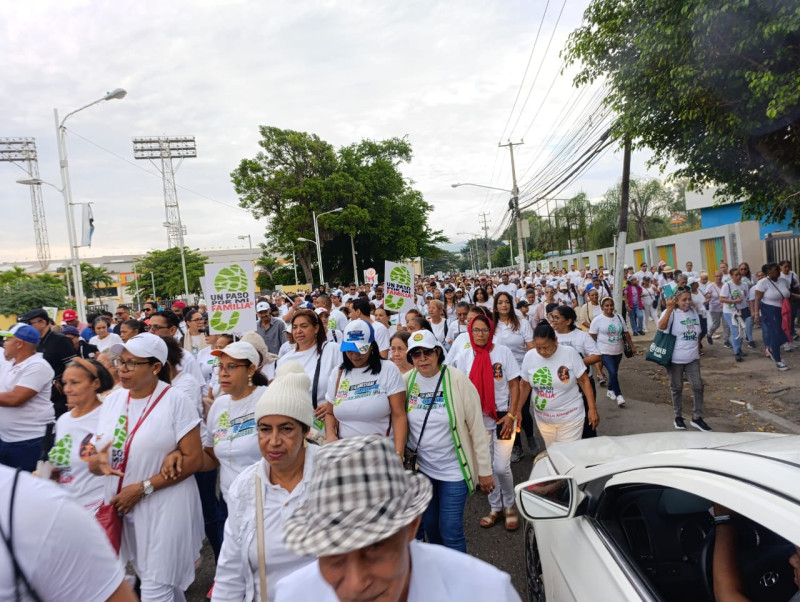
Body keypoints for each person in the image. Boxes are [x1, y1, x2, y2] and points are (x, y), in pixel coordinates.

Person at [275, 435, 520, 602]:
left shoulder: (484, 593)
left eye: (374, 548)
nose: (355, 585)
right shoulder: (293, 595)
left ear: (411, 526)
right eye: (334, 556)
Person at [89, 333, 205, 600]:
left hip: (164, 504)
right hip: (123, 507)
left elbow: (194, 459)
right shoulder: (114, 400)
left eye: (132, 363)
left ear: (155, 368)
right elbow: (100, 453)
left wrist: (143, 488)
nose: (122, 369)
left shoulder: (176, 400)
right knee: (158, 580)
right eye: (121, 361)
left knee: (156, 586)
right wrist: (96, 463)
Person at [212, 362, 318, 602]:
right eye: (264, 429)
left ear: (305, 430)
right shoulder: (246, 487)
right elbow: (230, 572)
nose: (274, 441)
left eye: (286, 429)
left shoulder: (335, 476)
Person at [404, 329, 493, 552]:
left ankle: (460, 582)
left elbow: (476, 427)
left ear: (438, 352)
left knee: (450, 528)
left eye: (427, 352)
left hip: (454, 469)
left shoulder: (457, 380)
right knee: (430, 526)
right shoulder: (406, 381)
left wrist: (484, 470)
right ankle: (440, 571)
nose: (422, 358)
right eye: (416, 354)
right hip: (422, 469)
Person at [0, 464, 137, 601]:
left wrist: (144, 488)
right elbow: (94, 465)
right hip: (110, 512)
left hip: (134, 512)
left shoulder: (48, 509)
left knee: (151, 580)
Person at [447, 315, 521, 531]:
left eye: (484, 330)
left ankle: (510, 506)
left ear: (491, 331)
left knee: (501, 466)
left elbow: (514, 384)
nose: (480, 334)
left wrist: (512, 414)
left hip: (502, 418)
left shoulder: (502, 352)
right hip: (476, 420)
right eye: (476, 330)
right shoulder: (463, 356)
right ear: (470, 332)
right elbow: (456, 389)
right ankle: (495, 507)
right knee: (485, 466)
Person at [323, 320, 407, 454]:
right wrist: (330, 435)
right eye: (350, 350)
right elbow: (329, 412)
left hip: (381, 453)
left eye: (360, 350)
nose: (355, 355)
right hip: (345, 453)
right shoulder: (338, 373)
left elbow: (399, 415)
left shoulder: (388, 369)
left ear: (372, 347)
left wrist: (399, 453)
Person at [47, 357, 113, 513]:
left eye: (75, 383)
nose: (67, 389)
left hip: (98, 510)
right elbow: (63, 463)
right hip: (66, 508)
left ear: (95, 383)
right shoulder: (63, 420)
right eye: (65, 383)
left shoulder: (109, 416)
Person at [520, 320, 599, 447]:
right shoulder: (530, 356)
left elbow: (584, 381)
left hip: (570, 418)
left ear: (556, 340)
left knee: (568, 455)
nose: (542, 351)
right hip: (544, 420)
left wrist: (592, 409)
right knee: (552, 452)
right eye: (538, 347)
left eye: (546, 347)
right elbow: (524, 385)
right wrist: (517, 410)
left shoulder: (569, 353)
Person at [0, 324, 54, 471]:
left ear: (19, 343)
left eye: (7, 339)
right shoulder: (10, 363)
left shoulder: (38, 365)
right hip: (7, 439)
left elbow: (15, 399)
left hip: (31, 441)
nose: (4, 342)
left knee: (30, 489)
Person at [277, 309, 340, 427]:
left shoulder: (332, 350)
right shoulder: (284, 360)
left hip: (328, 423)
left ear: (316, 328)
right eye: (294, 327)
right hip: (296, 425)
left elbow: (346, 382)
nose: (298, 331)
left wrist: (332, 404)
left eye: (304, 326)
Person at [657, 290, 710, 431]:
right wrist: (668, 309)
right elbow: (661, 327)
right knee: (677, 388)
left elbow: (698, 332)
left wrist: (697, 348)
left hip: (692, 358)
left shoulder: (693, 312)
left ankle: (697, 417)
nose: (687, 302)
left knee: (698, 386)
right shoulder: (672, 313)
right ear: (676, 301)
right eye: (683, 300)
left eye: (689, 299)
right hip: (675, 359)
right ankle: (678, 417)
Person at [549, 305, 602, 439]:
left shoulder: (581, 336)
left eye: (557, 317)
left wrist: (576, 364)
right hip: (560, 387)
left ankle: (589, 449)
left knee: (586, 420)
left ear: (568, 321)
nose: (553, 320)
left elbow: (597, 355)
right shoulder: (550, 336)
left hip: (581, 384)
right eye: (551, 317)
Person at [18, 307, 75, 417]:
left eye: (29, 323)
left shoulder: (60, 340)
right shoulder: (33, 342)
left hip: (58, 397)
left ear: (42, 322)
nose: (26, 327)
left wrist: (71, 398)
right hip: (37, 397)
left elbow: (72, 369)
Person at [754, 262, 800, 371]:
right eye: (776, 270)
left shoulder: (784, 281)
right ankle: (778, 360)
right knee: (776, 333)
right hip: (770, 310)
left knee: (787, 333)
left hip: (785, 310)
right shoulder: (763, 283)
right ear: (768, 272)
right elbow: (757, 299)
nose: (779, 271)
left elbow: (788, 294)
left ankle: (771, 348)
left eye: (778, 269)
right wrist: (756, 314)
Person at [589, 297, 634, 406]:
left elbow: (626, 333)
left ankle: (610, 390)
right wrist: (592, 351)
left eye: (611, 305)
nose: (609, 307)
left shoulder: (619, 317)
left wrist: (632, 347)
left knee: (613, 373)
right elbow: (591, 337)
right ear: (602, 307)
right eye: (606, 305)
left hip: (618, 351)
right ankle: (619, 395)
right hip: (604, 351)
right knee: (612, 372)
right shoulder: (597, 320)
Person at [719, 268, 751, 362]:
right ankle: (736, 352)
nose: (738, 276)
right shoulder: (727, 285)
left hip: (742, 310)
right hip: (730, 311)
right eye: (736, 275)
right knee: (735, 330)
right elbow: (721, 299)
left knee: (741, 330)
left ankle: (739, 348)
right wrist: (734, 301)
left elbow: (747, 297)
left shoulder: (744, 284)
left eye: (739, 274)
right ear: (731, 276)